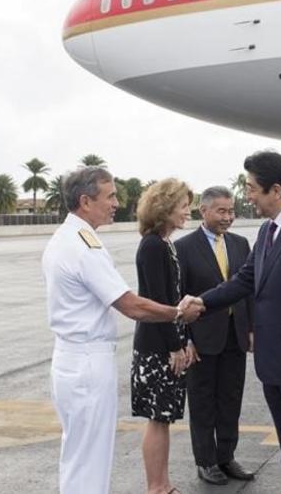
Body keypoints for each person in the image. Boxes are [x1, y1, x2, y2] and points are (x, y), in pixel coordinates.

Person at [41, 166, 202, 494]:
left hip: (72, 358)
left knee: (79, 455)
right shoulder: (85, 245)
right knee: (90, 459)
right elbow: (130, 305)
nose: (117, 202)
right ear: (86, 201)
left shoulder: (66, 237)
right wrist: (178, 313)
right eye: (110, 196)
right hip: (87, 361)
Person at [186, 151, 281, 493]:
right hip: (274, 365)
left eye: (252, 188)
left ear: (276, 189)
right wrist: (201, 301)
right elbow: (244, 280)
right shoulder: (269, 231)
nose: (248, 196)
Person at [176, 186, 256, 485]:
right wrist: (185, 339)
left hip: (235, 336)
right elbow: (178, 300)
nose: (228, 217)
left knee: (231, 399)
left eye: (231, 211)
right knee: (202, 402)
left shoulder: (240, 244)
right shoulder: (183, 248)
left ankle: (226, 456)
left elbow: (248, 291)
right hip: (202, 340)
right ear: (203, 211)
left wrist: (251, 329)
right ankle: (206, 460)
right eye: (221, 211)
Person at [132, 178, 195, 494]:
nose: (188, 211)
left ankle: (163, 484)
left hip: (164, 341)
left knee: (163, 417)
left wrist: (183, 340)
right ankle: (156, 487)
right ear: (166, 207)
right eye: (183, 206)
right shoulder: (154, 245)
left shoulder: (162, 243)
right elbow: (159, 301)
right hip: (157, 346)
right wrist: (175, 347)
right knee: (157, 418)